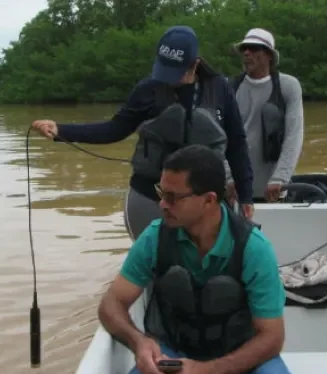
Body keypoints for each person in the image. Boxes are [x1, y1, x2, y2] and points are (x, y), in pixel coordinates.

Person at [96, 144, 299, 374]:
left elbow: (271, 338)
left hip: (239, 353)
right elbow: (112, 304)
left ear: (208, 200)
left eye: (174, 197)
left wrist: (209, 372)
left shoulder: (253, 248)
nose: (162, 204)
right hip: (174, 349)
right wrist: (139, 342)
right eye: (162, 193)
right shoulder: (155, 237)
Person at [31, 25, 255, 239]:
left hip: (202, 199)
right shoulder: (147, 89)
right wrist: (61, 130)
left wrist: (246, 195)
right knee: (158, 270)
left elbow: (236, 143)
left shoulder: (219, 88)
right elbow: (114, 130)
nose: (167, 78)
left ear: (195, 64)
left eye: (175, 72)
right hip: (152, 194)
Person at [225, 28, 304, 203]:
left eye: (254, 48)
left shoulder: (288, 86)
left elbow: (294, 136)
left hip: (274, 190)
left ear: (269, 55)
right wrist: (229, 178)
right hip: (236, 191)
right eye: (244, 48)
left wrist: (280, 178)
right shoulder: (229, 88)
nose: (246, 53)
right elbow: (220, 138)